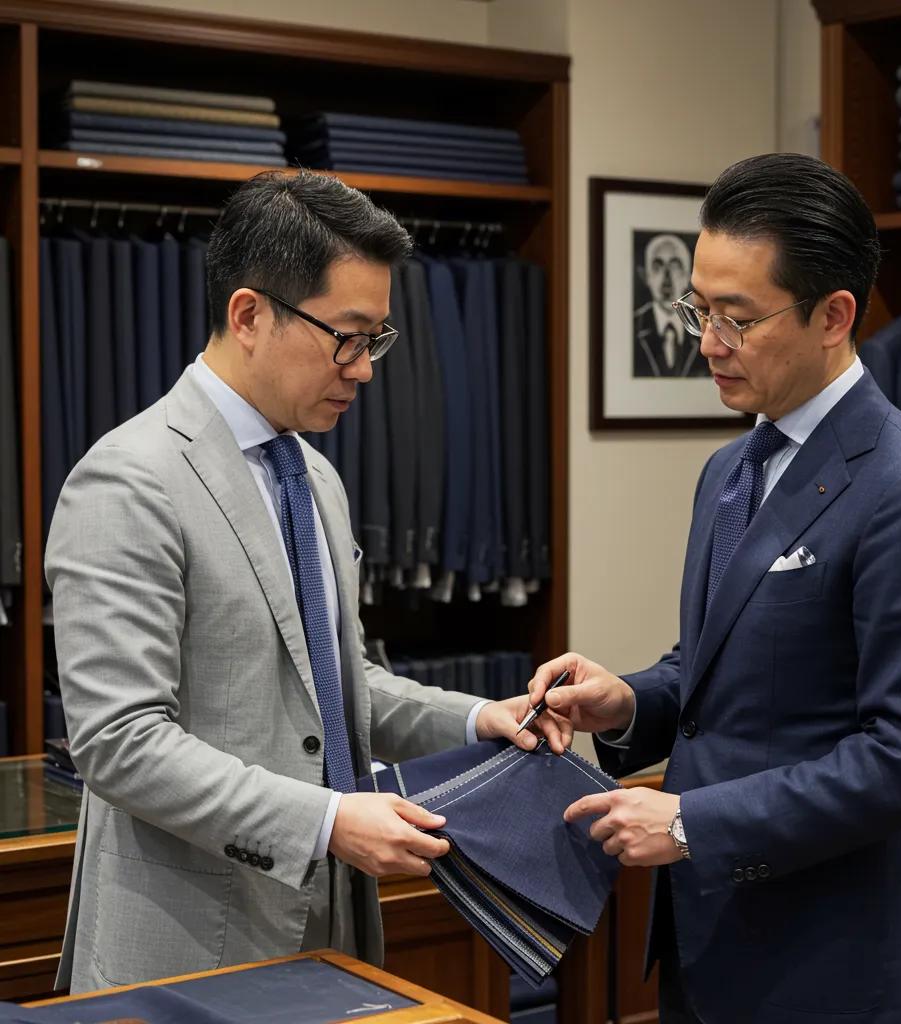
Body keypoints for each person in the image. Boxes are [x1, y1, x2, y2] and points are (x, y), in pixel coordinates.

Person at [45, 170, 570, 994]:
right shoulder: (128, 479)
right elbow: (120, 741)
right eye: (347, 338)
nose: (364, 370)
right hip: (191, 942)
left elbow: (333, 683)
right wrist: (326, 820)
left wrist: (476, 719)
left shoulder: (314, 476)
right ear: (249, 315)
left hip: (335, 924)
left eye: (377, 340)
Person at [531, 154, 901, 1023]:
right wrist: (626, 702)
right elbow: (711, 670)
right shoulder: (731, 468)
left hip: (827, 960)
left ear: (834, 316)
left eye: (737, 319)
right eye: (699, 309)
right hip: (708, 940)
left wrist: (690, 823)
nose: (708, 342)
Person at [633, 232, 706, 378]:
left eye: (675, 266)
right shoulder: (633, 326)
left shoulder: (706, 328)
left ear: (688, 277)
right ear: (646, 276)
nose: (667, 278)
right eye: (657, 267)